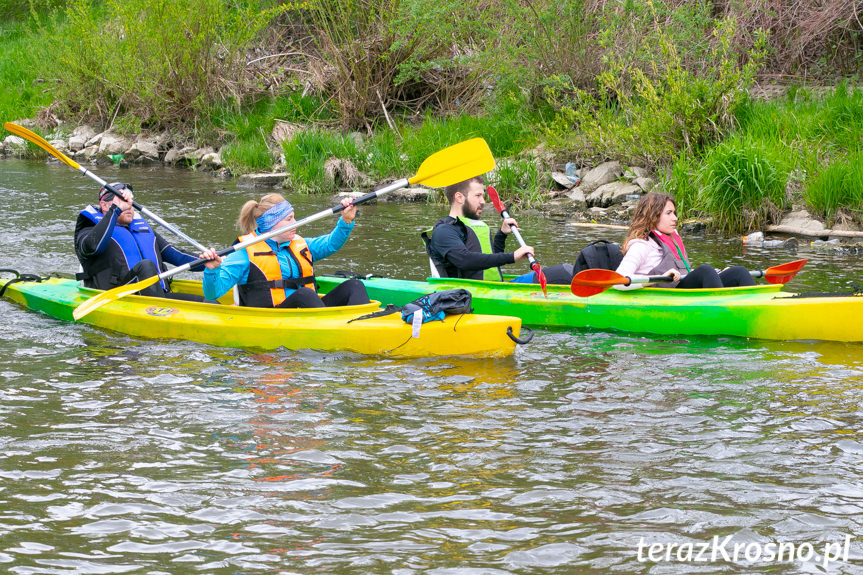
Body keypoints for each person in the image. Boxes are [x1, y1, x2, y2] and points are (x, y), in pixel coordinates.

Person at [202, 193, 370, 308]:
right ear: (271, 225)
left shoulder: (299, 244)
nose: (295, 222)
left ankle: (364, 326)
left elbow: (330, 244)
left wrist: (346, 220)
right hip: (274, 318)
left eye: (294, 217)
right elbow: (213, 293)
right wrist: (212, 270)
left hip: (310, 312)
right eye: (289, 219)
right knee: (304, 294)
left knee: (354, 285)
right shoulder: (243, 253)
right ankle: (334, 329)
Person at [75, 183, 217, 301]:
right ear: (105, 205)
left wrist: (205, 261)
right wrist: (116, 210)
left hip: (159, 296)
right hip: (119, 297)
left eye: (129, 203)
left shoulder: (141, 230)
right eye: (122, 202)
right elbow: (93, 246)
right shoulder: (88, 229)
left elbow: (176, 255)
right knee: (146, 267)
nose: (128, 206)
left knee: (211, 303)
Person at [424, 175, 573, 284]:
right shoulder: (443, 231)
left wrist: (501, 235)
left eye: (483, 196)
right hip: (469, 297)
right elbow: (465, 260)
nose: (483, 201)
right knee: (564, 273)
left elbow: (490, 263)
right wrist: (512, 256)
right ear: (459, 197)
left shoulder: (471, 226)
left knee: (567, 271)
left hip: (495, 288)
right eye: (478, 196)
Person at [615, 192, 756, 289]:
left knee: (738, 272)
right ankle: (722, 316)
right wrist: (660, 277)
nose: (675, 218)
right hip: (663, 295)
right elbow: (619, 281)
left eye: (674, 213)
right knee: (705, 271)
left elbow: (686, 272)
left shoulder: (672, 240)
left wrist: (718, 273)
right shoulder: (641, 245)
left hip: (680, 289)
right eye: (669, 213)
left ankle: (757, 305)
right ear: (653, 216)